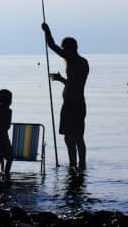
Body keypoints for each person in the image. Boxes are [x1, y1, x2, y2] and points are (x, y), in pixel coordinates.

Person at [42, 23, 89, 170]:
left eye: (64, 49)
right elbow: (74, 84)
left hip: (72, 105)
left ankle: (78, 164)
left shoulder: (74, 60)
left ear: (69, 49)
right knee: (71, 137)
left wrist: (47, 30)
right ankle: (75, 164)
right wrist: (61, 79)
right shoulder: (82, 62)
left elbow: (51, 45)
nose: (62, 52)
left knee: (74, 137)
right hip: (75, 104)